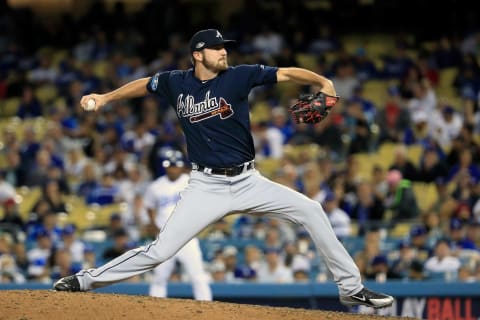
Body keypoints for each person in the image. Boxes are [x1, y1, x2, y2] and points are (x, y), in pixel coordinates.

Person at [53, 28, 394, 309]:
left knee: (311, 209)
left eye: (224, 47)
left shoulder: (240, 76)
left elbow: (288, 73)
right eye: (216, 48)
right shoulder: (176, 82)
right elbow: (145, 84)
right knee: (160, 252)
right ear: (197, 55)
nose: (223, 52)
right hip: (206, 185)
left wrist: (323, 82)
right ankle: (85, 280)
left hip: (249, 180)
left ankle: (350, 287)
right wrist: (106, 97)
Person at [143, 148, 212, 301]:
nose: (173, 168)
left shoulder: (191, 182)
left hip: (186, 237)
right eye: (170, 165)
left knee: (198, 275)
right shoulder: (156, 186)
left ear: (181, 166)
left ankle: (208, 309)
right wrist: (152, 222)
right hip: (164, 238)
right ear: (165, 166)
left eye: (176, 165)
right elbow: (149, 206)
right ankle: (154, 311)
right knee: (159, 277)